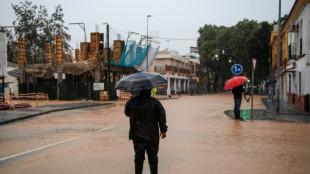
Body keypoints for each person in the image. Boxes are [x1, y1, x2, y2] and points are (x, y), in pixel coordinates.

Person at [125, 89, 168, 174]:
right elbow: (162, 115)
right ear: (150, 90)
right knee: (153, 158)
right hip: (152, 136)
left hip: (137, 135)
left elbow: (127, 113)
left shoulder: (132, 102)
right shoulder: (155, 102)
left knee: (138, 157)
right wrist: (163, 130)